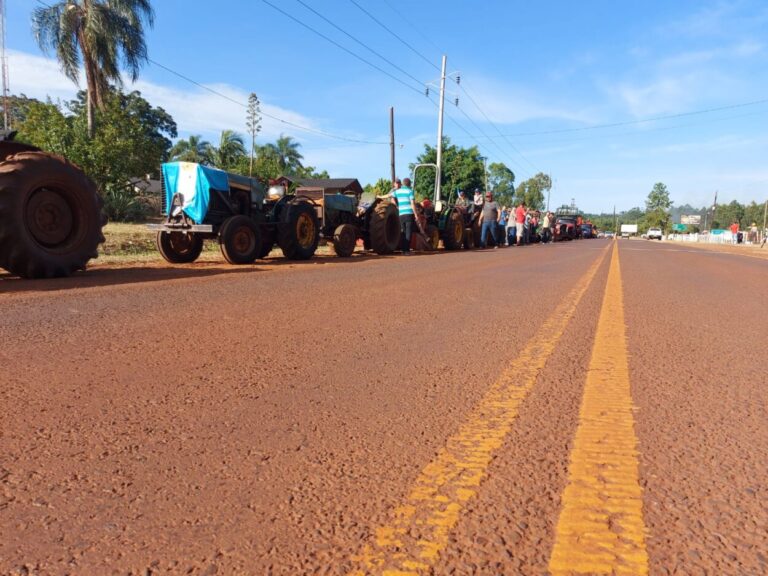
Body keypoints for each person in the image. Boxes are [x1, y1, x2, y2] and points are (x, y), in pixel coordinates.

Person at [391, 177, 418, 255]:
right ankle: (407, 251)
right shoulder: (410, 191)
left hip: (401, 214)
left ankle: (403, 250)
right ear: (409, 184)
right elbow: (412, 204)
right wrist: (416, 214)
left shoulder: (397, 191)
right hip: (409, 214)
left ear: (403, 183)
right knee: (408, 232)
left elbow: (392, 197)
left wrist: (397, 206)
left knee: (403, 232)